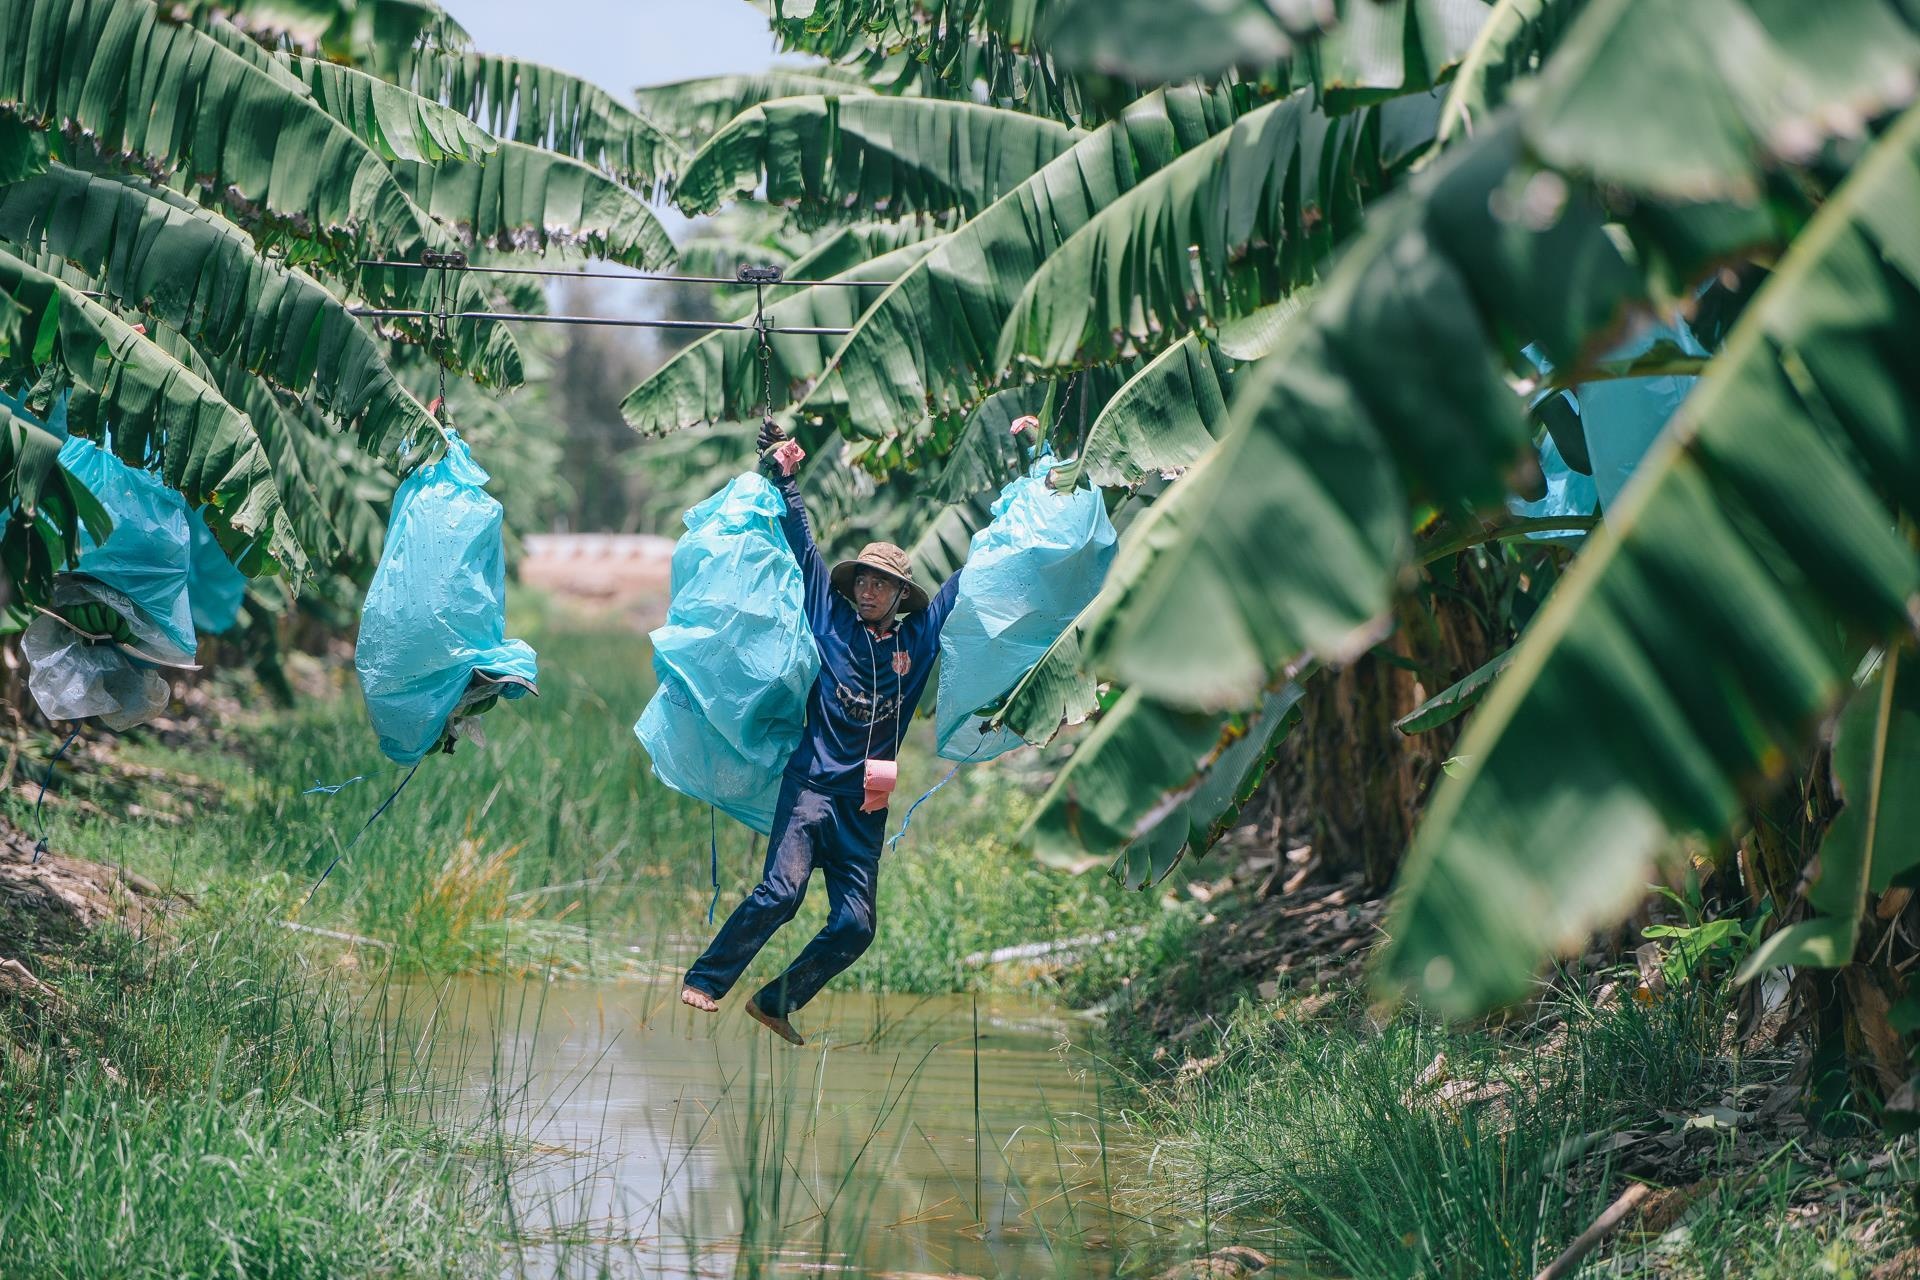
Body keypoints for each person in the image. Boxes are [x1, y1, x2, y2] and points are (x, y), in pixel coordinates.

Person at [678, 419, 964, 1045]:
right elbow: (803, 547)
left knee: (857, 925)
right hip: (810, 789)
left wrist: (1027, 471)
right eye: (862, 579)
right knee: (781, 892)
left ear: (899, 596)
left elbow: (966, 580)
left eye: (880, 583)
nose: (866, 588)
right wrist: (786, 478)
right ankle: (706, 977)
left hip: (866, 805)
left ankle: (776, 1001)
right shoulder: (829, 617)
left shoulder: (918, 639)